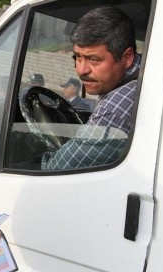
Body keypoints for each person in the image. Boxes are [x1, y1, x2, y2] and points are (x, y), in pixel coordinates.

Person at [42, 6, 141, 170]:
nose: (81, 70)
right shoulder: (144, 72)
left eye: (94, 59)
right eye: (78, 57)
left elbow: (56, 169)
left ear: (127, 57)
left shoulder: (113, 110)